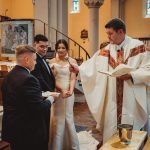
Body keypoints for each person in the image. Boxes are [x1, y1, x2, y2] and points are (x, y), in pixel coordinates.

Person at [70, 18, 150, 143]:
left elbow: (148, 68)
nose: (108, 37)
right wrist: (79, 69)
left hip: (131, 99)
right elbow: (92, 65)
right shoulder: (106, 50)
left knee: (131, 136)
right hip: (112, 101)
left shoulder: (138, 47)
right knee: (111, 132)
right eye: (107, 34)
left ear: (121, 32)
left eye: (110, 33)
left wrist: (131, 75)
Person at [1, 45, 57, 150]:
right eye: (35, 60)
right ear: (27, 60)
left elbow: (20, 99)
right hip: (28, 131)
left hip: (13, 129)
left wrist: (38, 95)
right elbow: (39, 109)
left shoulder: (8, 76)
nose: (36, 63)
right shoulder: (29, 79)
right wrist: (52, 98)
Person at [48, 39, 79, 150]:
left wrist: (71, 90)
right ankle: (57, 146)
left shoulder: (72, 61)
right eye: (59, 48)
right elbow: (51, 80)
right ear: (56, 49)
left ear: (67, 49)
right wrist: (61, 90)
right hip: (57, 92)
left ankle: (71, 145)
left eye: (63, 48)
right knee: (57, 118)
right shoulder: (51, 62)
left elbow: (72, 78)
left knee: (68, 116)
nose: (61, 50)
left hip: (69, 93)